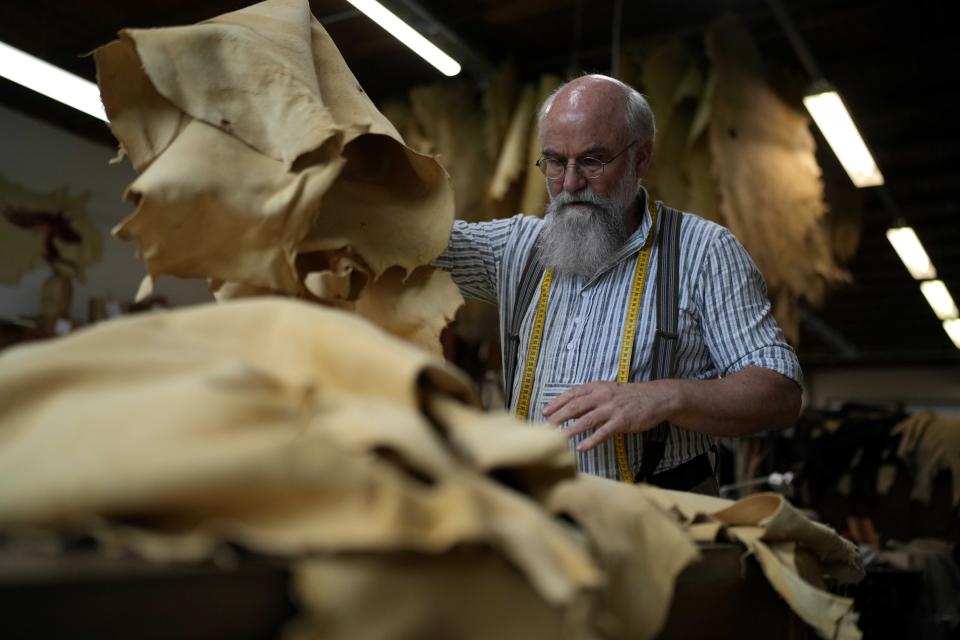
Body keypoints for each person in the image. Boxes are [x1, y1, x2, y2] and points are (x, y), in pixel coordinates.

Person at [434, 74, 802, 494]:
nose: (570, 183)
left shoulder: (702, 252)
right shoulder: (518, 248)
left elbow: (780, 393)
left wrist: (666, 397)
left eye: (593, 161)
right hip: (540, 516)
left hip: (661, 523)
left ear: (641, 159)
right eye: (554, 161)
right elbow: (412, 239)